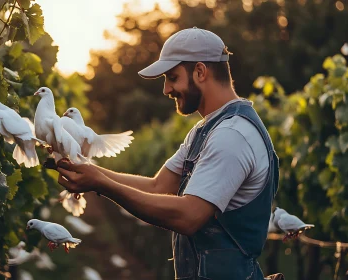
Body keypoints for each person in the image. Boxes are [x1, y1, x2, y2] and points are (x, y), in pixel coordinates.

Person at [56, 27, 280, 279]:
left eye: (172, 77)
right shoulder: (205, 130)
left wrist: (100, 184)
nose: (166, 90)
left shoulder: (232, 135)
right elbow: (158, 186)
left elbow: (189, 216)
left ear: (200, 72)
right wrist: (90, 171)